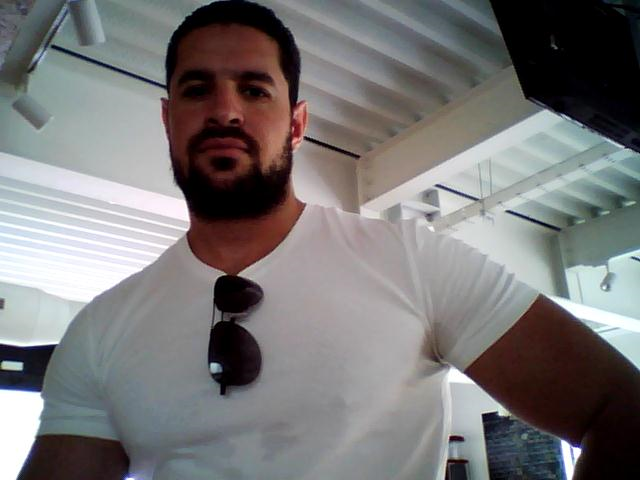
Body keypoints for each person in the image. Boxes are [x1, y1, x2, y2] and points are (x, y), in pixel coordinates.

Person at [18, 1, 640, 479]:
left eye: (254, 89)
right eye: (197, 89)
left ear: (296, 124)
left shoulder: (414, 262)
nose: (225, 111)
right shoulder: (100, 331)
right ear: (168, 118)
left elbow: (622, 411)